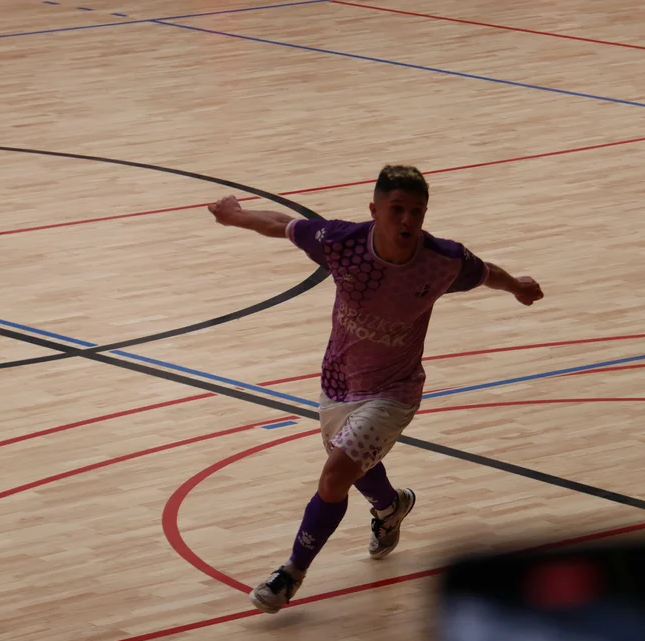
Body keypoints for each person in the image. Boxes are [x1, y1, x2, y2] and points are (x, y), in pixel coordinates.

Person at [208, 165, 544, 613]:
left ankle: (290, 574)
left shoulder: (442, 260)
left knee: (335, 475)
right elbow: (282, 224)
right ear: (374, 210)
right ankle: (391, 507)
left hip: (394, 391)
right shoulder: (342, 242)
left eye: (417, 212)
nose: (407, 220)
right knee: (352, 466)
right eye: (397, 209)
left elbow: (485, 273)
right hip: (339, 382)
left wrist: (517, 286)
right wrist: (235, 216)